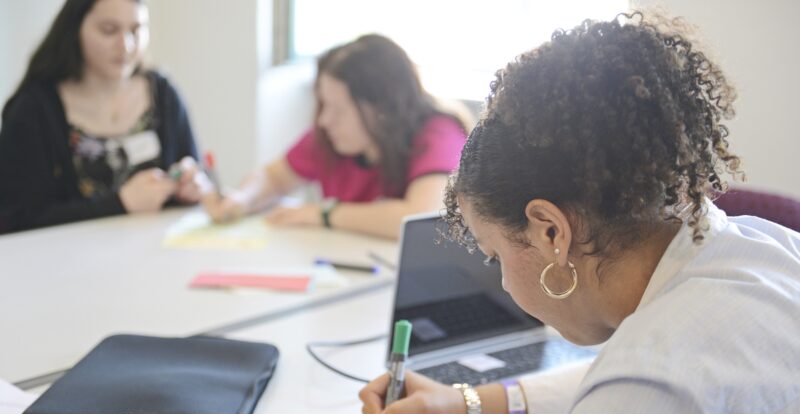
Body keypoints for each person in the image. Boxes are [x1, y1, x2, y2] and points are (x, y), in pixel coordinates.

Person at [355, 13, 800, 414]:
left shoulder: (658, 382)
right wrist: (471, 404)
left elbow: (643, 393)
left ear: (550, 232)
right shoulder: (761, 249)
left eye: (495, 255)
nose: (502, 279)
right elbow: (622, 385)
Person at [202, 34, 469, 240]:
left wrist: (325, 213)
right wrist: (242, 198)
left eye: (338, 110)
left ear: (380, 109)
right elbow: (274, 177)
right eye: (323, 105)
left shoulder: (439, 133)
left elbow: (421, 218)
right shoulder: (332, 137)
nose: (324, 120)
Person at [0, 0, 202, 234]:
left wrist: (194, 185)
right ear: (75, 29)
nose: (125, 45)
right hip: (67, 265)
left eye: (136, 30)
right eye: (109, 30)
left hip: (156, 257)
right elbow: (18, 219)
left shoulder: (163, 93)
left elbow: (197, 172)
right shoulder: (33, 110)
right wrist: (121, 204)